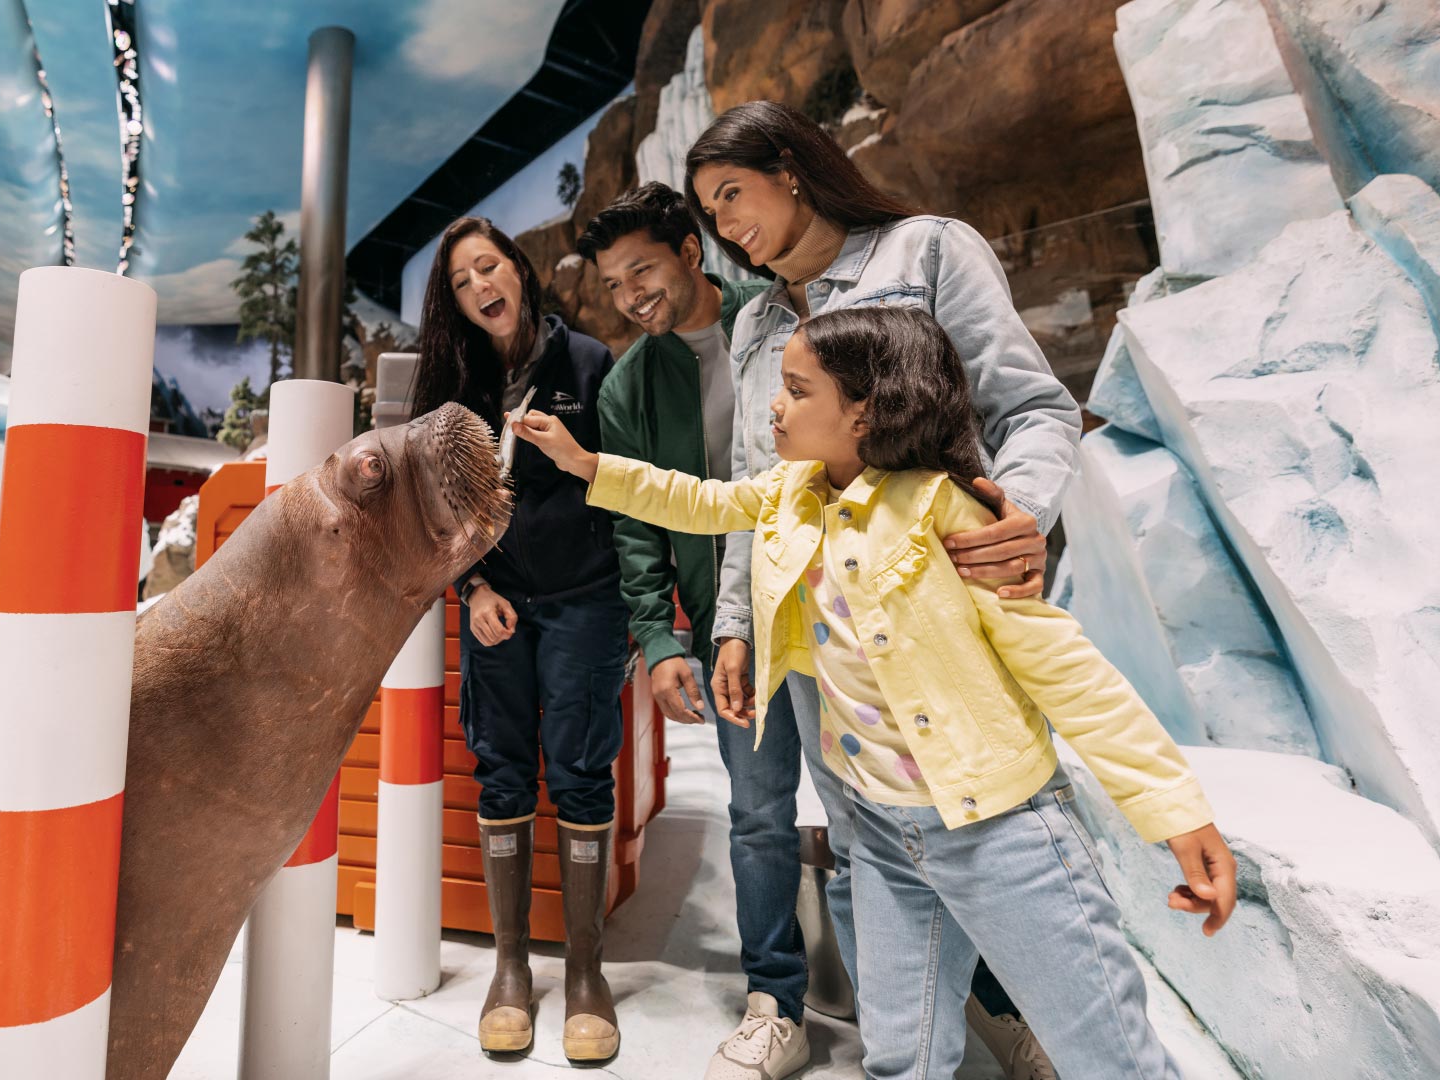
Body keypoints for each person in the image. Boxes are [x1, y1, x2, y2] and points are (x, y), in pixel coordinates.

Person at [509, 305, 1239, 1079]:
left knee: (1109, 1057)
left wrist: (1176, 811)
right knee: (898, 1055)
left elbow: (1067, 668)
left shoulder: (947, 513)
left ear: (865, 410)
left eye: (796, 389)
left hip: (1001, 832)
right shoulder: (790, 494)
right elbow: (698, 501)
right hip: (881, 833)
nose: (774, 406)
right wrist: (586, 463)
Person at [686, 99, 1083, 1079]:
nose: (727, 225)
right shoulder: (758, 324)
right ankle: (906, 1062)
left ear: (790, 167)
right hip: (825, 640)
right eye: (710, 213)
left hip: (943, 614)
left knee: (1001, 839)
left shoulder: (928, 250)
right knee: (864, 858)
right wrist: (736, 625)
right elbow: (761, 496)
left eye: (732, 194)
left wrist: (1014, 513)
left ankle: (1049, 1029)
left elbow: (1034, 409)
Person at [578, 182, 818, 1079]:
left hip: (832, 605)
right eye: (612, 282)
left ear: (690, 250)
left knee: (901, 802)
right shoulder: (630, 383)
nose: (629, 293)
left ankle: (982, 996)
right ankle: (775, 1000)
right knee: (757, 813)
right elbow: (636, 528)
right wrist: (662, 638)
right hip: (731, 631)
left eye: (641, 267)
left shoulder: (784, 318)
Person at [407, 216, 627, 1063]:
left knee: (578, 769)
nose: (479, 289)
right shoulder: (451, 385)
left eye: (488, 268)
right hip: (497, 604)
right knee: (500, 767)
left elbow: (625, 488)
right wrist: (472, 586)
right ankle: (508, 969)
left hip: (584, 599)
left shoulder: (589, 365)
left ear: (519, 271)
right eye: (460, 284)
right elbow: (436, 508)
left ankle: (583, 974)